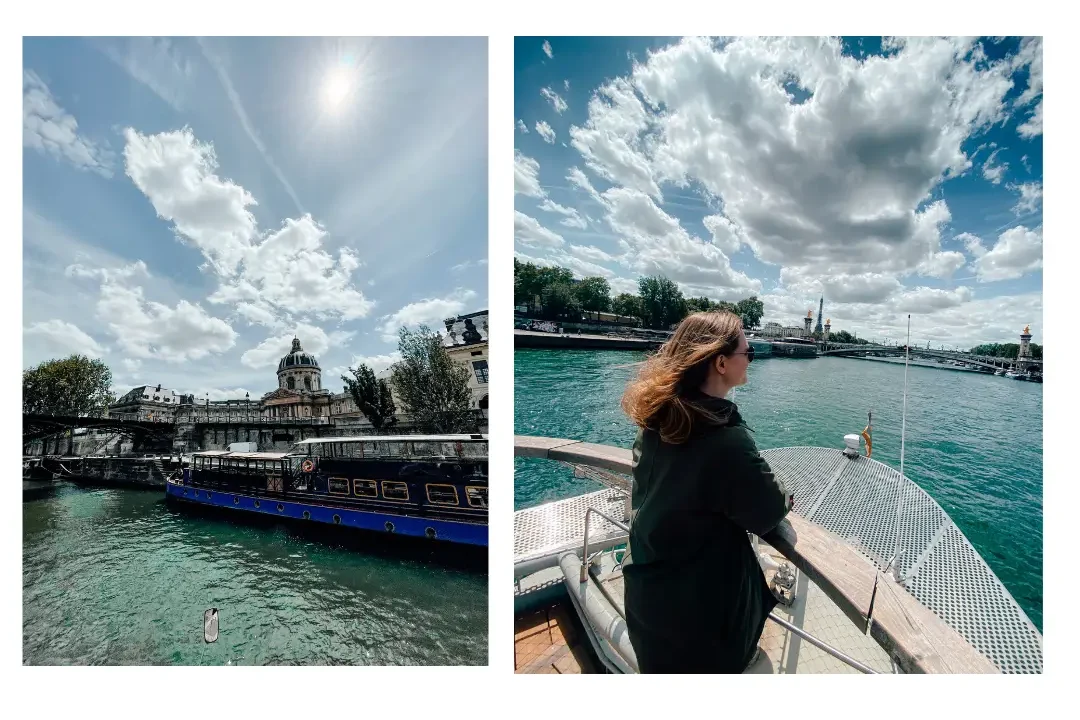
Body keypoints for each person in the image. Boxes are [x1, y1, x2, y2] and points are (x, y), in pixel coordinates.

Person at [620, 310, 792, 673]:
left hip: (648, 602)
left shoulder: (656, 419)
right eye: (748, 353)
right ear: (720, 362)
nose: (751, 360)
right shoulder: (724, 439)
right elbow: (769, 510)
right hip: (699, 626)